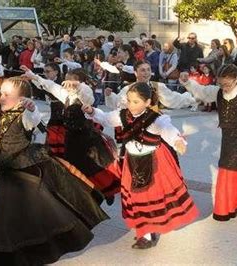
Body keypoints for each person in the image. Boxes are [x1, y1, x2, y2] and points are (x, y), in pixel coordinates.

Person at [0, 75, 108, 265]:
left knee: (38, 214)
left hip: (26, 174)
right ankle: (12, 254)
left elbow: (33, 118)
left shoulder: (24, 116)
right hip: (6, 173)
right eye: (1, 93)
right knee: (7, 219)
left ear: (21, 99)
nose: (1, 97)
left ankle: (42, 248)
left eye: (6, 94)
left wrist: (32, 107)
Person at [83, 82, 199, 249]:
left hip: (153, 162)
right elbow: (106, 119)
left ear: (147, 102)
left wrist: (178, 141)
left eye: (136, 101)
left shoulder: (156, 119)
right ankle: (144, 230)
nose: (131, 105)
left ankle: (147, 232)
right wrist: (92, 111)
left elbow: (168, 129)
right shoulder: (123, 115)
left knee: (150, 196)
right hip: (132, 162)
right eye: (129, 100)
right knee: (136, 197)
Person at [179, 65, 237, 220]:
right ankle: (230, 203)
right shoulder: (217, 92)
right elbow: (202, 91)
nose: (224, 88)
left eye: (227, 84)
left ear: (236, 80)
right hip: (228, 138)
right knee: (229, 169)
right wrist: (188, 83)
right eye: (221, 84)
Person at [23, 68, 121, 204]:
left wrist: (78, 85)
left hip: (87, 141)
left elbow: (88, 96)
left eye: (71, 81)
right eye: (66, 81)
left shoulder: (84, 94)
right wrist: (34, 76)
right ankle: (82, 198)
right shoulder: (66, 96)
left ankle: (104, 192)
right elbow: (51, 86)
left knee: (93, 168)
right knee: (74, 171)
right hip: (71, 141)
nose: (67, 84)